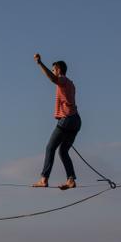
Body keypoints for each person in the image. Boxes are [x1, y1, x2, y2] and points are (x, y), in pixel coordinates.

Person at [32, 53, 81, 190]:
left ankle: (44, 179)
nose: (53, 72)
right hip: (76, 121)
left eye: (54, 69)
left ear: (58, 70)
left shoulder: (62, 80)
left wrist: (40, 64)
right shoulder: (71, 83)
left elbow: (53, 79)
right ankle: (71, 180)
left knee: (50, 148)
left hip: (67, 120)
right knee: (63, 151)